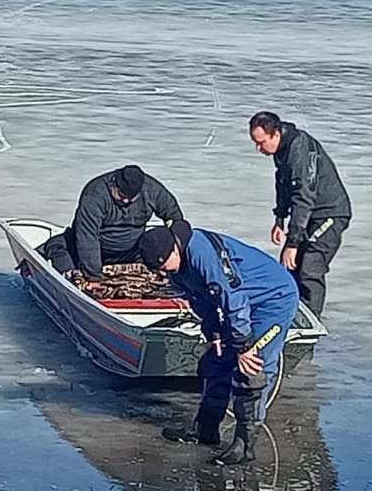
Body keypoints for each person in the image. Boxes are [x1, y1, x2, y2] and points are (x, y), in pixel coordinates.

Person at [138, 219, 299, 465]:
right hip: (242, 303)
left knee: (251, 370)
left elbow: (234, 301)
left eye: (163, 266)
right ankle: (206, 429)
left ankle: (244, 446)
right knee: (216, 361)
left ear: (174, 249)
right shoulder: (174, 269)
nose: (162, 273)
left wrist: (244, 347)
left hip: (273, 300)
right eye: (157, 270)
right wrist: (214, 333)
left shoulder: (203, 257)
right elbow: (200, 300)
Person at [249, 111, 352, 319]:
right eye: (255, 143)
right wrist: (279, 219)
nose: (258, 148)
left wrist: (293, 243)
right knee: (290, 268)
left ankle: (310, 322)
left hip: (330, 213)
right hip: (309, 214)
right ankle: (289, 314)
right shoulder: (281, 149)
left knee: (309, 269)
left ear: (275, 134)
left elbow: (303, 197)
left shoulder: (300, 150)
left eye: (261, 143)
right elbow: (282, 183)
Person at [39, 165, 183, 289]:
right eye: (121, 195)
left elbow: (175, 220)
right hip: (92, 249)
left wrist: (172, 256)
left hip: (132, 251)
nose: (126, 200)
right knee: (57, 245)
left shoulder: (152, 190)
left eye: (131, 198)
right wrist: (93, 276)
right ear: (113, 184)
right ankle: (66, 284)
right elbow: (87, 237)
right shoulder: (95, 194)